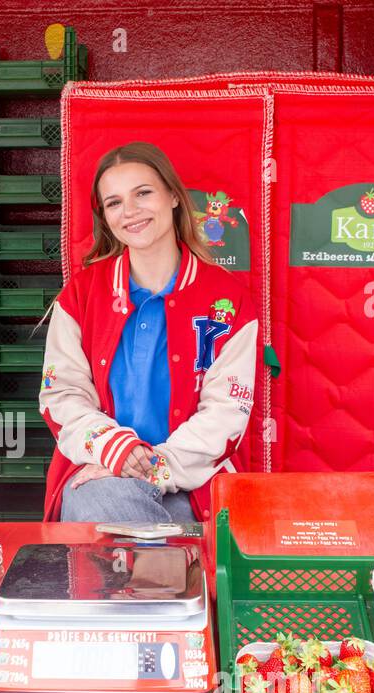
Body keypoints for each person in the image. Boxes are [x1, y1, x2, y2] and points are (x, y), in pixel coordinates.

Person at [39, 141, 260, 524]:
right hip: (101, 477)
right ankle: (168, 573)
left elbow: (227, 411)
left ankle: (154, 572)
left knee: (121, 536)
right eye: (114, 203)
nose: (130, 212)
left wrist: (151, 467)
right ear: (105, 217)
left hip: (195, 487)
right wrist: (116, 451)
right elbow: (61, 394)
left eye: (143, 193)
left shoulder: (228, 300)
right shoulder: (81, 294)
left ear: (173, 196)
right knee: (100, 510)